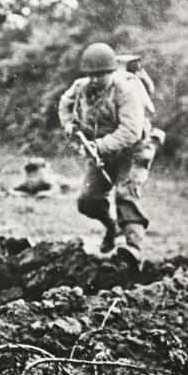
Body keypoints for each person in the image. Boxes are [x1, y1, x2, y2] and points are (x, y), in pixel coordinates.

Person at [58, 43, 157, 270]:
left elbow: (131, 131)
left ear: (111, 72)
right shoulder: (81, 88)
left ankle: (133, 250)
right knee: (87, 201)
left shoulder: (125, 92)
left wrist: (99, 146)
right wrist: (70, 124)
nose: (94, 80)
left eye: (100, 74)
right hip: (101, 152)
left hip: (132, 151)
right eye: (91, 74)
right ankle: (112, 227)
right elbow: (64, 104)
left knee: (125, 195)